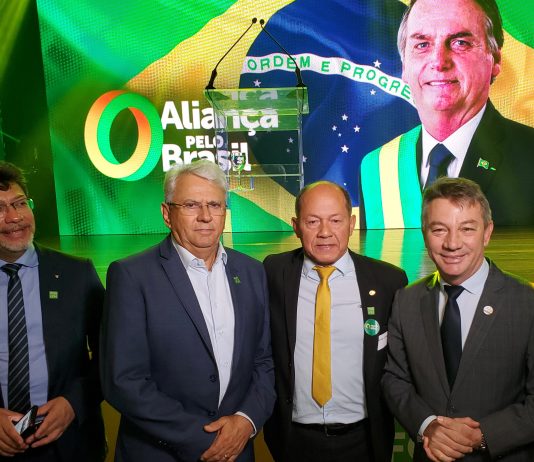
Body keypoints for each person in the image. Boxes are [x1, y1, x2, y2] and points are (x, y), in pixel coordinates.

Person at [100, 160, 275, 462]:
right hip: (160, 454)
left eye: (215, 205)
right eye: (191, 205)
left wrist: (246, 421)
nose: (205, 216)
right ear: (167, 214)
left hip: (235, 450)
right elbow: (123, 381)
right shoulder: (131, 276)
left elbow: (263, 360)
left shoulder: (252, 271)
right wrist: (205, 439)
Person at [382, 176, 534, 461]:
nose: (452, 243)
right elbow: (395, 379)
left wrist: (483, 435)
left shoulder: (527, 302)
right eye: (439, 229)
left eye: (467, 229)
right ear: (424, 234)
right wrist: (427, 425)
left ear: (487, 233)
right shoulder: (406, 301)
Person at [263, 181, 408, 462]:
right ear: (296, 226)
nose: (325, 232)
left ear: (351, 224)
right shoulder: (273, 272)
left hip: (364, 440)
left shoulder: (388, 281)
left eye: (335, 220)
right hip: (292, 439)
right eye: (312, 221)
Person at [359, 0, 534, 228]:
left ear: (496, 60)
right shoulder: (376, 168)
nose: (439, 62)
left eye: (460, 43)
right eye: (422, 45)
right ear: (404, 65)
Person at [0, 161, 106, 461]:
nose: (14, 217)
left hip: (70, 445)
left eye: (20, 203)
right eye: (0, 209)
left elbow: (112, 356)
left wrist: (74, 403)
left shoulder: (77, 274)